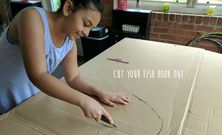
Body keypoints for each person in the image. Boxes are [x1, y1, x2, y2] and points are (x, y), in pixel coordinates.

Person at [0, 0, 130, 124]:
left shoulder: (69, 41)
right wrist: (83, 100)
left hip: (29, 100)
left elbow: (73, 78)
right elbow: (38, 75)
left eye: (91, 28)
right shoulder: (31, 17)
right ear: (68, 8)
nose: (86, 33)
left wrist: (99, 92)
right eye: (86, 24)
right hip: (4, 99)